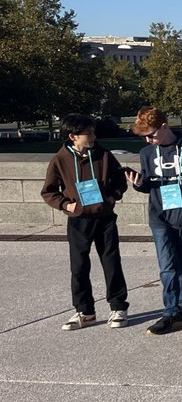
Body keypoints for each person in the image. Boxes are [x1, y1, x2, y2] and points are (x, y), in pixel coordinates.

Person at [41, 113, 130, 330]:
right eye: (88, 133)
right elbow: (49, 191)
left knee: (111, 262)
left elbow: (120, 180)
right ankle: (85, 311)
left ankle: (118, 307)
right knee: (79, 266)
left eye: (93, 132)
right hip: (79, 220)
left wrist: (112, 196)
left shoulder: (104, 154)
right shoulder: (60, 159)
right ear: (73, 136)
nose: (93, 136)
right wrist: (65, 205)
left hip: (104, 218)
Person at [128, 107, 182, 335]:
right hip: (160, 217)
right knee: (167, 266)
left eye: (151, 134)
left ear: (164, 126)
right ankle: (170, 310)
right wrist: (139, 183)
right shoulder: (147, 153)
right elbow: (149, 184)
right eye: (144, 136)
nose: (148, 139)